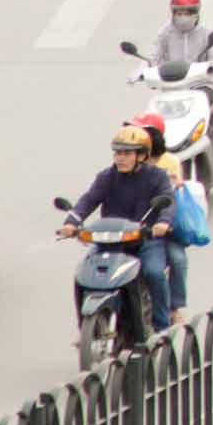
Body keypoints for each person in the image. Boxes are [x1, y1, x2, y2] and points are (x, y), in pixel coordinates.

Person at [57, 125, 176, 332]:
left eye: (127, 153)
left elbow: (168, 200)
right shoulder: (106, 177)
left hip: (145, 240)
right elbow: (88, 200)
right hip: (110, 243)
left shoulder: (157, 177)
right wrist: (71, 222)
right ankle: (85, 328)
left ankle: (161, 326)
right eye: (117, 153)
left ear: (141, 155)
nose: (120, 158)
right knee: (83, 275)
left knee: (154, 272)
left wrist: (162, 223)